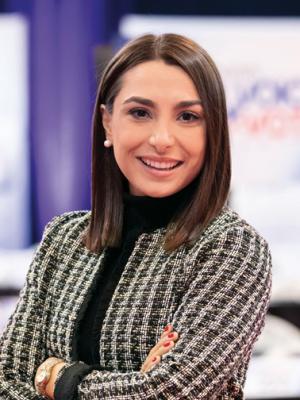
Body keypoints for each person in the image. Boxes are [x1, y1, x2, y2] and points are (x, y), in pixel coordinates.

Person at [0, 33, 272, 399]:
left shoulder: (232, 249)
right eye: (140, 112)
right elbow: (5, 378)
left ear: (213, 133)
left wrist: (56, 378)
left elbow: (170, 391)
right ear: (108, 123)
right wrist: (132, 384)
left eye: (188, 116)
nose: (162, 138)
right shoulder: (64, 239)